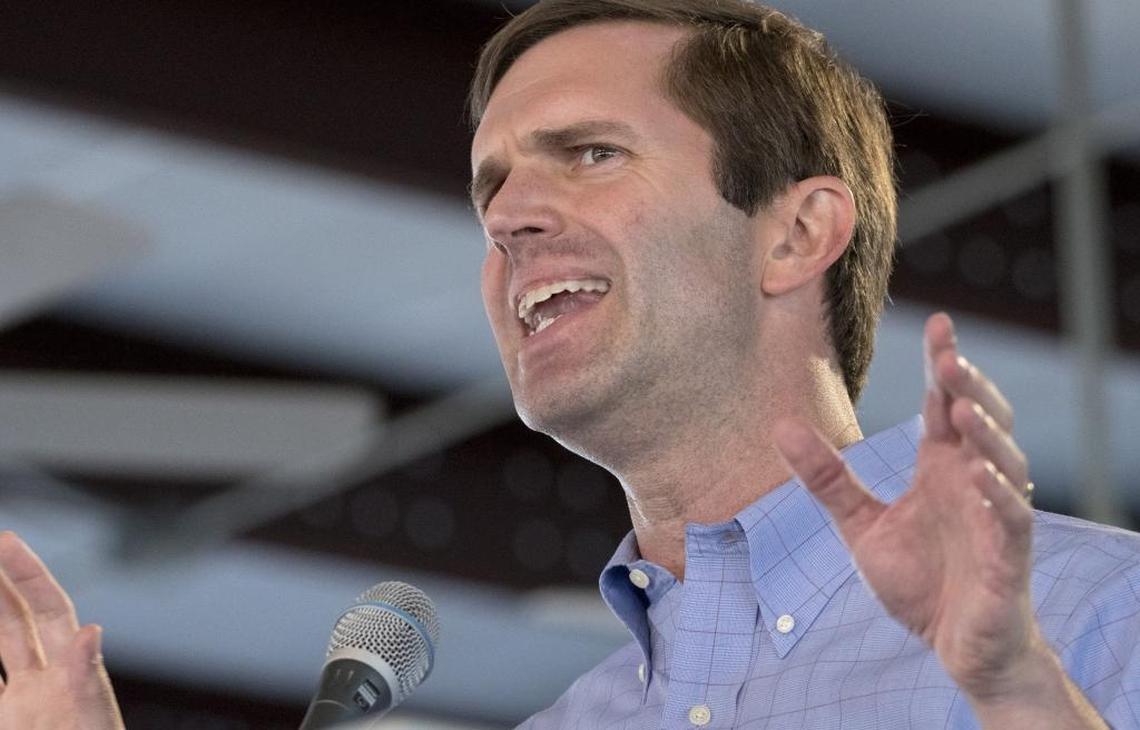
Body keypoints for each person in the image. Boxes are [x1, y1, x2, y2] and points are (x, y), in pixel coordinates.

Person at [1, 0, 1136, 728]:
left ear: (797, 233)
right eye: (492, 190)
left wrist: (1011, 687)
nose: (510, 221)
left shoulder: (1097, 612)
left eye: (589, 155)